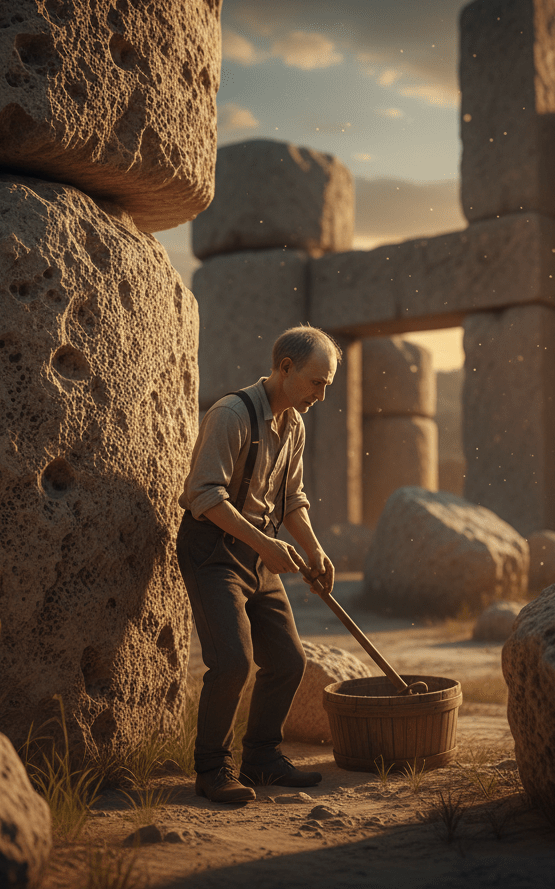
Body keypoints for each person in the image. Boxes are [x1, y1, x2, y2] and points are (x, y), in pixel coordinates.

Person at [176, 324, 338, 803]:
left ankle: (263, 759)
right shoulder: (231, 414)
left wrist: (314, 549)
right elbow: (203, 495)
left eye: (327, 384)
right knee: (232, 663)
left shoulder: (296, 425)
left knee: (288, 660)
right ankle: (211, 771)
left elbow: (292, 500)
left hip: (257, 549)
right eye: (316, 381)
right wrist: (264, 546)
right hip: (213, 548)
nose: (321, 394)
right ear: (284, 368)